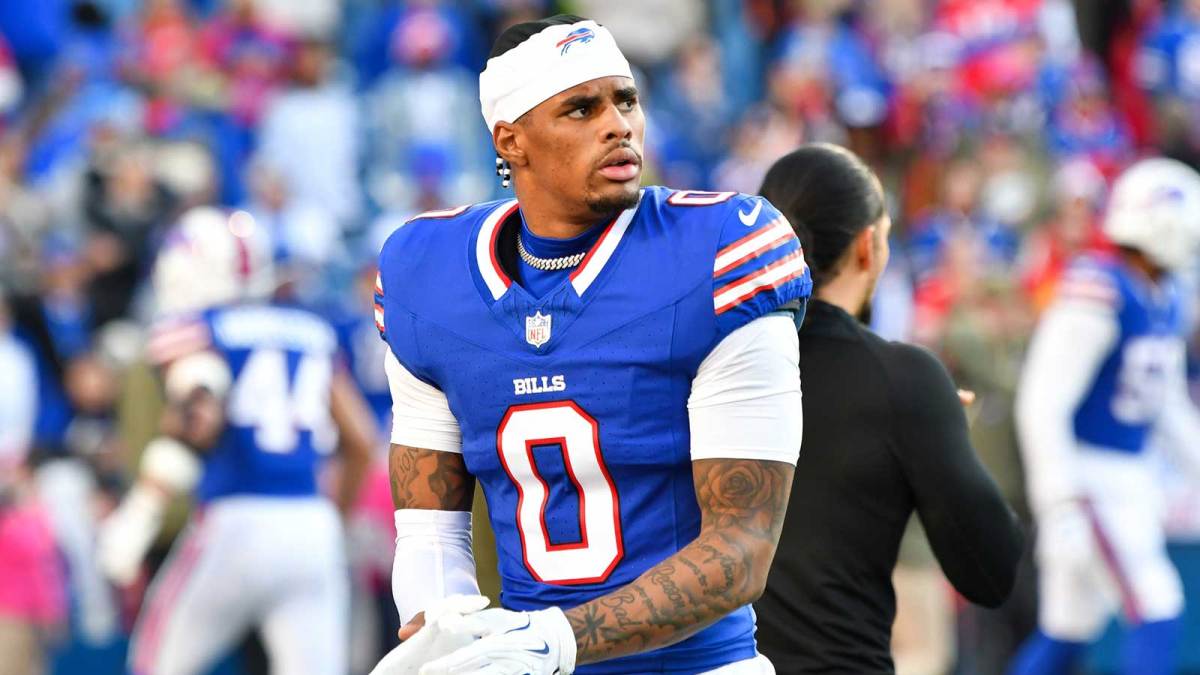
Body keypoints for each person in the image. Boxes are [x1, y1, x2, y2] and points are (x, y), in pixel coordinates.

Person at [371, 14, 812, 675]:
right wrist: (448, 632)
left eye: (625, 99)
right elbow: (430, 533)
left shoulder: (721, 249)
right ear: (510, 142)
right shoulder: (425, 273)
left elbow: (740, 550)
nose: (618, 124)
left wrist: (549, 642)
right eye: (581, 108)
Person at [751, 144, 1024, 674]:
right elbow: (993, 572)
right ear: (866, 245)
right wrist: (939, 427)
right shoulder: (904, 380)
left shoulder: (701, 359)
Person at [96, 207, 375, 675]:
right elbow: (362, 440)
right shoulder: (308, 332)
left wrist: (142, 509)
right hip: (311, 524)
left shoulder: (200, 330)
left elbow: (196, 412)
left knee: (155, 664)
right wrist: (334, 519)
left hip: (235, 520)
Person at [1009, 158, 1200, 675]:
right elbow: (1043, 400)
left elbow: (1166, 405)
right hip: (1088, 478)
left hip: (1126, 478)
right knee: (1157, 608)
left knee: (1067, 630)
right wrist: (1059, 500)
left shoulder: (1161, 295)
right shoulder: (1099, 288)